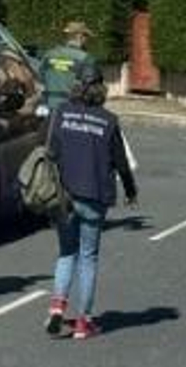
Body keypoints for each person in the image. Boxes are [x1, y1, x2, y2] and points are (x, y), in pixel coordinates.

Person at [44, 62, 137, 340]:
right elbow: (121, 162)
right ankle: (84, 322)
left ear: (76, 85)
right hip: (95, 196)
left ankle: (57, 306)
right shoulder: (108, 120)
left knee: (66, 253)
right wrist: (131, 191)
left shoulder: (61, 112)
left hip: (65, 195)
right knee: (88, 257)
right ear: (101, 88)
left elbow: (51, 151)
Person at [41, 20, 95, 112]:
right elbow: (92, 86)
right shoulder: (86, 58)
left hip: (49, 106)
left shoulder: (48, 55)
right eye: (86, 36)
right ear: (79, 36)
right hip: (73, 109)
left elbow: (41, 77)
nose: (86, 40)